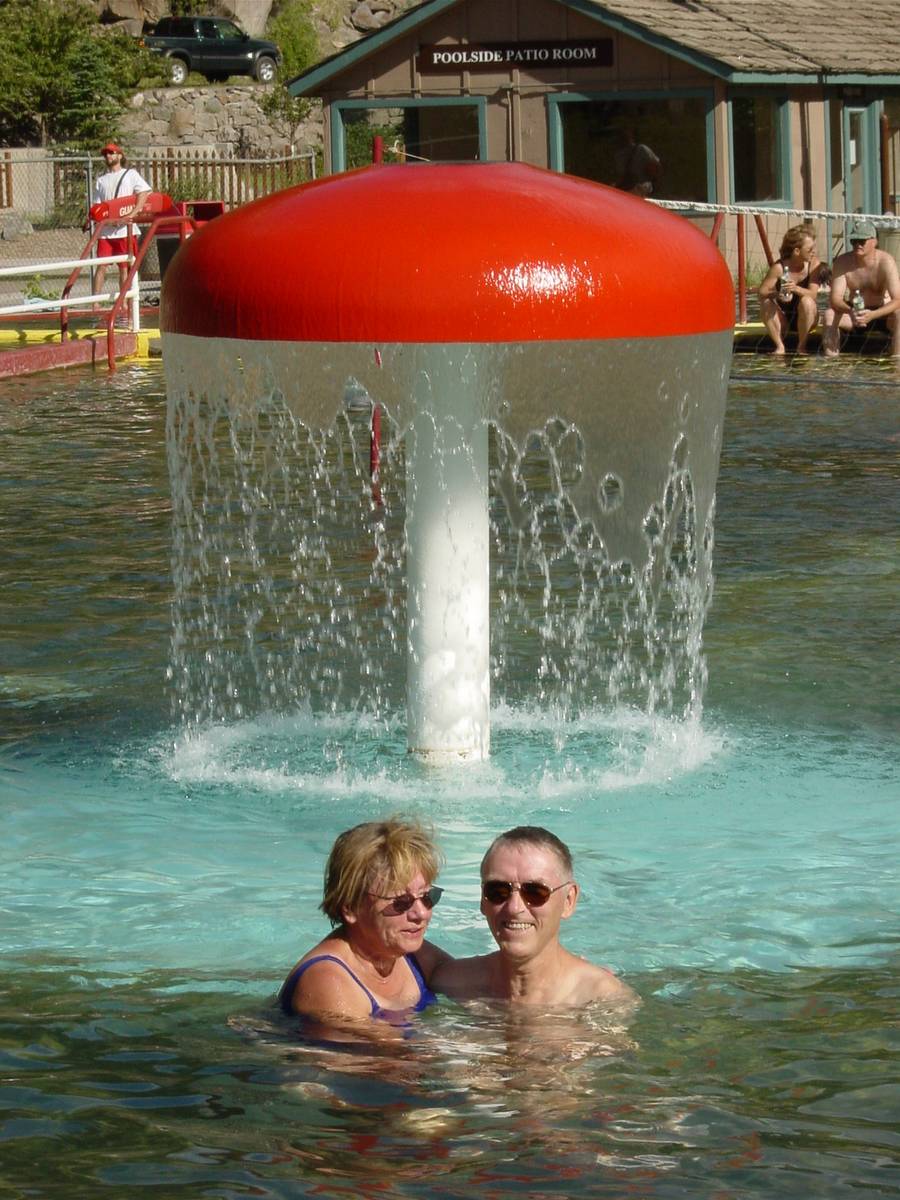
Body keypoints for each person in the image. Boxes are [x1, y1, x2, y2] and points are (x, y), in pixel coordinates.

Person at [432, 826, 637, 1008]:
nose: (514, 907)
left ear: (568, 901)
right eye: (498, 891)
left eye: (535, 892)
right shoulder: (452, 983)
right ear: (482, 900)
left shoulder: (602, 1000)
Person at [279, 817, 448, 1030]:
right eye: (401, 903)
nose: (421, 914)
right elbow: (395, 1059)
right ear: (350, 907)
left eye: (427, 896)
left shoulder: (410, 955)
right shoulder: (329, 982)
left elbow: (485, 982)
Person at [822, 218, 900, 357]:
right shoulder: (842, 262)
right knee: (829, 314)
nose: (857, 244)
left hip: (881, 314)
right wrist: (851, 311)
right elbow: (835, 299)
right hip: (855, 313)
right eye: (854, 241)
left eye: (862, 241)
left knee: (899, 314)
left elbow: (898, 299)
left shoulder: (886, 261)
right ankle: (832, 365)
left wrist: (873, 315)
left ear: (874, 241)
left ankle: (896, 361)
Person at [89, 142, 152, 300]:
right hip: (106, 231)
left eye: (111, 153)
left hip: (125, 230)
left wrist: (133, 213)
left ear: (120, 155)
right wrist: (107, 221)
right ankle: (95, 302)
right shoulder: (101, 180)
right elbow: (97, 206)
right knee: (101, 266)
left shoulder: (130, 174)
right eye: (106, 154)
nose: (108, 156)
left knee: (124, 267)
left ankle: (124, 302)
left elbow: (143, 192)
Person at [757, 225, 822, 355]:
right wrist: (776, 294)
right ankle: (780, 346)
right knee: (766, 303)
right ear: (797, 251)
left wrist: (796, 288)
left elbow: (813, 294)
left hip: (808, 317)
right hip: (785, 319)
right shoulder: (779, 268)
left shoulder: (814, 265)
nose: (813, 252)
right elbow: (761, 293)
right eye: (810, 249)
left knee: (807, 301)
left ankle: (801, 346)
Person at [614, 128, 661, 198]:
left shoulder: (641, 149)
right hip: (628, 189)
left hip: (641, 188)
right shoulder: (618, 155)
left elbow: (656, 168)